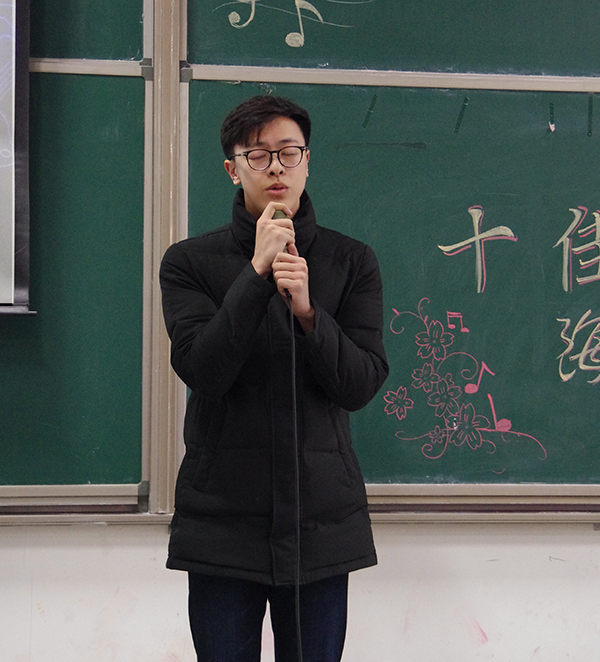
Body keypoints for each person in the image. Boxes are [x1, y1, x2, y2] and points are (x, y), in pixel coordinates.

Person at [159, 95, 388, 662]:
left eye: (289, 152)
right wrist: (257, 272)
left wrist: (309, 314)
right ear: (233, 169)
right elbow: (203, 371)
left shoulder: (351, 261)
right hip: (222, 524)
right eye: (258, 156)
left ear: (308, 162)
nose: (277, 168)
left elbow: (360, 384)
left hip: (320, 523)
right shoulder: (189, 263)